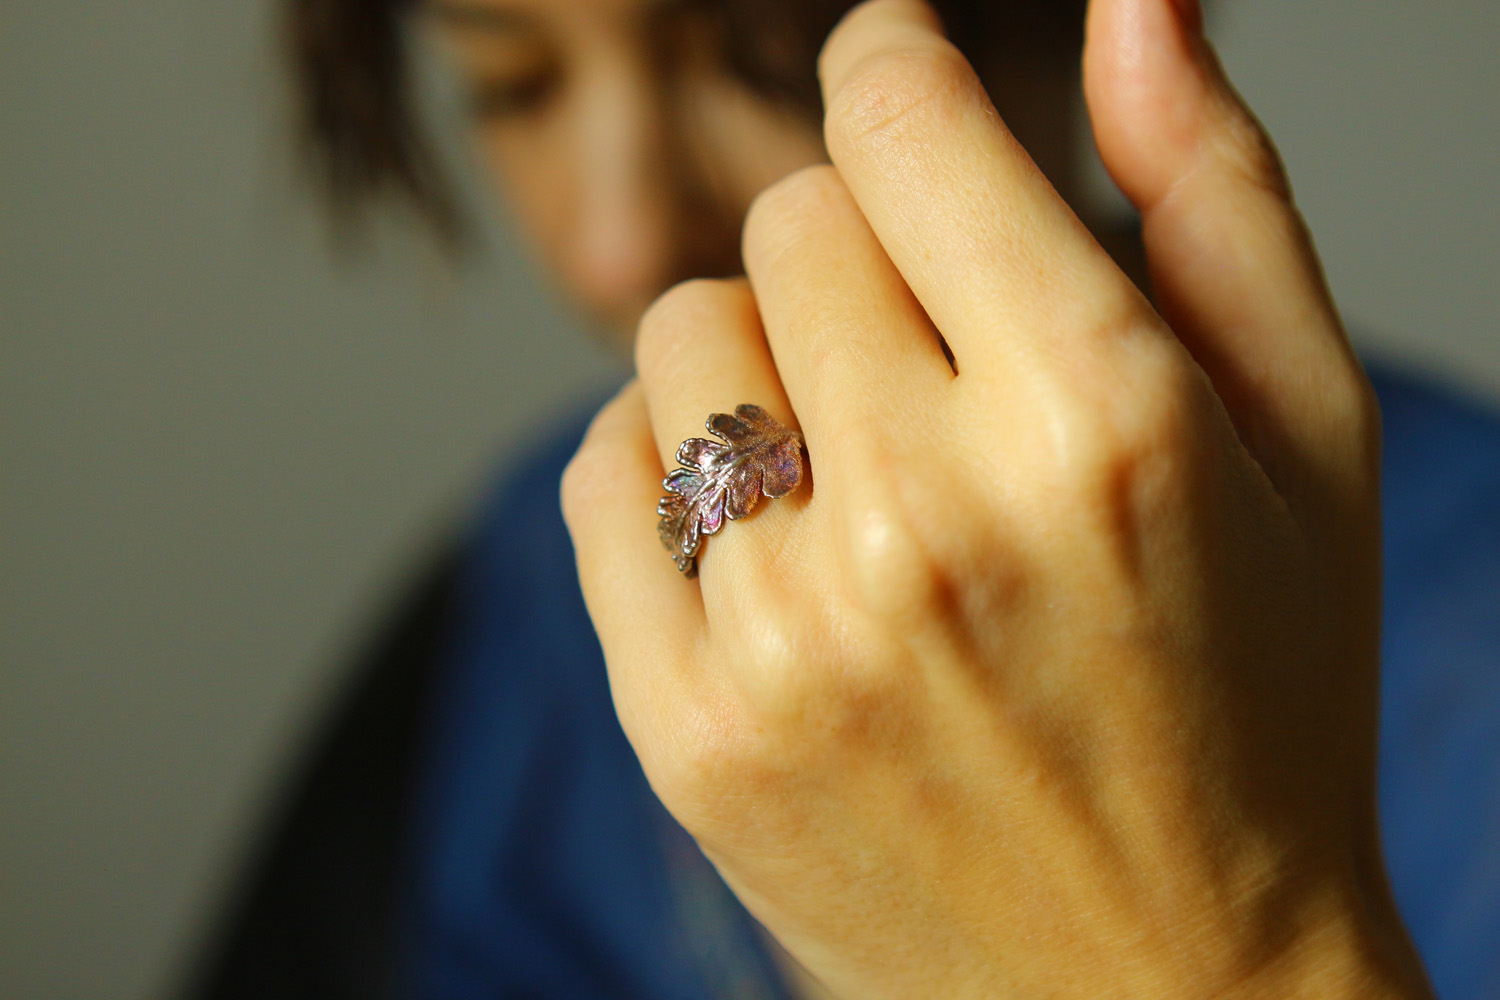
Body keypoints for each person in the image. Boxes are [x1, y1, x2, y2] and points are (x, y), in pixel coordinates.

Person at [186, 0, 1500, 998]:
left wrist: (1237, 950)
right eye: (512, 87)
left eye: (760, 49)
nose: (617, 239)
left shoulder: (1465, 625)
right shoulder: (531, 577)